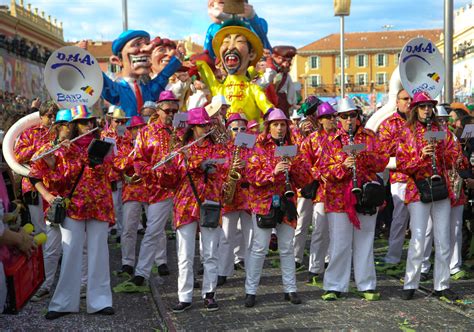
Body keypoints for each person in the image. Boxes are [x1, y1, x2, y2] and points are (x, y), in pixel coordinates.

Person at [42, 105, 115, 319]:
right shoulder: (65, 147)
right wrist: (56, 159)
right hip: (73, 206)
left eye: (91, 121)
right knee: (71, 252)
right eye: (84, 122)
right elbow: (59, 182)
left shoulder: (103, 145)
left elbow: (110, 174)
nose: (89, 125)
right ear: (74, 125)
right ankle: (63, 303)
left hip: (99, 204)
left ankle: (100, 301)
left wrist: (104, 159)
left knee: (99, 252)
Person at [159, 107, 229, 313]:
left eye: (206, 125)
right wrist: (170, 164)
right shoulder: (181, 148)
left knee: (209, 252)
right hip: (184, 205)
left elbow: (223, 172)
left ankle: (209, 293)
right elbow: (169, 182)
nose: (203, 129)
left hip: (209, 202)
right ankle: (184, 296)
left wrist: (196, 161)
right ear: (192, 127)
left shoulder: (217, 149)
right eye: (200, 125)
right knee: (184, 254)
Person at [320, 97, 388, 301]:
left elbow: (382, 160)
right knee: (339, 244)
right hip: (339, 199)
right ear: (338, 119)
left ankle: (366, 284)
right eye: (344, 116)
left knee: (365, 242)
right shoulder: (330, 140)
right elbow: (323, 169)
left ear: (358, 117)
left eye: (352, 116)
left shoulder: (369, 136)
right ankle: (334, 285)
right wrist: (343, 166)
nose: (349, 120)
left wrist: (364, 157)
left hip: (366, 196)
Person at [244, 108, 312, 308]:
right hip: (263, 203)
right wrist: (273, 172)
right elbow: (251, 175)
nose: (280, 129)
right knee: (259, 248)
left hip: (287, 203)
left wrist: (295, 168)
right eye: (275, 125)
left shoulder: (293, 147)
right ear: (269, 127)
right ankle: (250, 291)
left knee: (286, 248)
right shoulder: (257, 146)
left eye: (283, 125)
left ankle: (290, 289)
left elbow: (305, 178)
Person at [397, 92, 457, 301]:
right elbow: (402, 165)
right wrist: (420, 156)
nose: (426, 110)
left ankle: (442, 284)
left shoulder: (441, 130)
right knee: (419, 238)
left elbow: (454, 156)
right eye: (422, 106)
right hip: (418, 189)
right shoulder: (407, 132)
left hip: (440, 188)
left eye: (429, 106)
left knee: (443, 238)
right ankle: (410, 282)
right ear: (415, 109)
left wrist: (440, 153)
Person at [117, 92, 180, 290]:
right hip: (158, 189)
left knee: (185, 233)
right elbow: (138, 160)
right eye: (168, 110)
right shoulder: (147, 132)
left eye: (175, 110)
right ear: (158, 110)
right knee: (153, 230)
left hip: (183, 187)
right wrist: (152, 172)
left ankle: (191, 274)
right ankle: (141, 273)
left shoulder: (182, 131)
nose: (171, 114)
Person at [29, 109, 74, 302]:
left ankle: (79, 286)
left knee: (76, 247)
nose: (69, 128)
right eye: (65, 125)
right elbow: (33, 176)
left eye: (71, 125)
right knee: (52, 248)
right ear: (57, 127)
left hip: (76, 203)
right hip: (54, 206)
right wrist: (46, 195)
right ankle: (45, 285)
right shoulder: (45, 148)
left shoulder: (77, 150)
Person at [196, 20, 273, 122]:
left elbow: (269, 110)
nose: (231, 46)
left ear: (252, 54)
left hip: (248, 136)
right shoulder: (218, 89)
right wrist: (198, 64)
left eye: (239, 41)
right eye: (226, 42)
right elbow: (204, 70)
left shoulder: (254, 89)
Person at [96, 30, 183, 117]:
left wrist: (177, 59)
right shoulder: (117, 89)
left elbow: (163, 76)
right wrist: (84, 59)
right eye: (137, 44)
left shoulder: (149, 89)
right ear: (117, 60)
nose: (147, 49)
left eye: (147, 44)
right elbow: (97, 77)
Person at [300, 102, 338, 283]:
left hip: (340, 192)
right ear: (320, 120)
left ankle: (331, 262)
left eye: (334, 116)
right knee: (319, 230)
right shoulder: (311, 140)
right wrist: (318, 173)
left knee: (336, 231)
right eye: (329, 117)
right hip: (322, 192)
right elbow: (304, 162)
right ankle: (315, 267)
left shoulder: (343, 138)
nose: (333, 120)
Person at [217, 113, 253, 286]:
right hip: (230, 197)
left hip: (248, 198)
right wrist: (228, 169)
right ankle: (223, 271)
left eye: (243, 129)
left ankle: (252, 271)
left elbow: (262, 165)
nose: (239, 132)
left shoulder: (253, 147)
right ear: (228, 130)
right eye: (235, 129)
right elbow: (217, 169)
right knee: (226, 236)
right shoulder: (223, 147)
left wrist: (249, 165)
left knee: (250, 237)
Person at [14, 100, 58, 235]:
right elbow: (18, 156)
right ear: (41, 116)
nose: (52, 119)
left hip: (55, 183)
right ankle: (41, 256)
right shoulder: (30, 133)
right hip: (33, 185)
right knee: (39, 228)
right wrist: (37, 147)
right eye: (49, 116)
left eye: (54, 115)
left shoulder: (60, 132)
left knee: (55, 225)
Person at [380, 89, 412, 265]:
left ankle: (421, 261)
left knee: (422, 223)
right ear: (397, 101)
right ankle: (393, 257)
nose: (408, 102)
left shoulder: (421, 122)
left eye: (410, 99)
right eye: (405, 99)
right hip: (400, 176)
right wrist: (405, 141)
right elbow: (383, 150)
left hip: (421, 177)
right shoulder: (388, 123)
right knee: (400, 218)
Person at [102, 107, 132, 243]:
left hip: (125, 176)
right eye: (117, 121)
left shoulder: (128, 135)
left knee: (122, 207)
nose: (120, 124)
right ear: (111, 121)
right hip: (110, 177)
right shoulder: (104, 136)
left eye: (123, 122)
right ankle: (108, 231)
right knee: (112, 204)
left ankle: (121, 231)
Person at [204, 0, 271, 60]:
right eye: (211, 6)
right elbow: (208, 54)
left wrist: (252, 17)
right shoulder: (212, 28)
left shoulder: (259, 22)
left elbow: (263, 42)